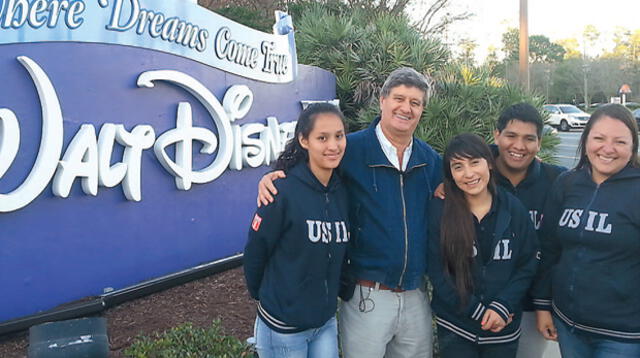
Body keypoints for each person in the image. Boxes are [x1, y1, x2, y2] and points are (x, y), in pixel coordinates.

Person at [257, 67, 442, 358]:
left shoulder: (431, 162)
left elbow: (474, 178)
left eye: (415, 102)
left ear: (422, 110)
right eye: (399, 98)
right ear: (382, 100)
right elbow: (306, 171)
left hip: (415, 296)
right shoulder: (349, 149)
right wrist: (274, 176)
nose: (406, 108)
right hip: (367, 295)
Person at [533, 104, 640, 357]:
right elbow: (549, 249)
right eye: (599, 138)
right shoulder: (567, 183)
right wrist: (542, 306)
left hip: (623, 334)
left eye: (619, 141)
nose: (608, 148)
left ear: (632, 146)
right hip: (568, 326)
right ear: (586, 139)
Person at [243, 103, 350, 358]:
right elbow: (255, 252)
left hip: (324, 321)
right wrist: (273, 300)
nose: (333, 146)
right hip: (284, 326)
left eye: (339, 136)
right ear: (304, 140)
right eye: (322, 138)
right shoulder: (281, 192)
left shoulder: (343, 191)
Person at [428, 133, 539, 358]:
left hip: (503, 328)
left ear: (488, 163)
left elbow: (528, 262)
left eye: (475, 162)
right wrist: (475, 310)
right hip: (456, 328)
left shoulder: (513, 209)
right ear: (450, 173)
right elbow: (438, 271)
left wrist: (502, 305)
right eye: (458, 166)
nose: (468, 174)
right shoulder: (440, 211)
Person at [492, 103, 565, 358]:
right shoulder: (476, 176)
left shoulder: (558, 181)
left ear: (539, 142)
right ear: (496, 135)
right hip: (488, 307)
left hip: (538, 310)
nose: (519, 146)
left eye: (528, 139)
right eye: (511, 136)